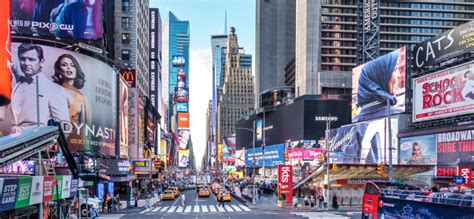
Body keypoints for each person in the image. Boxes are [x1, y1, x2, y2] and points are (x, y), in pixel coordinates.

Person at [10, 43, 70, 133]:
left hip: (38, 144)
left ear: (41, 62)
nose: (26, 63)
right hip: (12, 143)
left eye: (31, 59)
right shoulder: (17, 86)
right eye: (22, 59)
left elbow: (64, 127)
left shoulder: (54, 89)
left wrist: (47, 145)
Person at [353, 46, 406, 123]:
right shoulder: (399, 116)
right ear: (380, 76)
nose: (398, 74)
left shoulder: (355, 121)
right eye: (394, 69)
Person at [52, 53, 91, 151]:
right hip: (56, 139)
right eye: (64, 65)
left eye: (72, 65)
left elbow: (85, 126)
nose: (69, 68)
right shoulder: (52, 90)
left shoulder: (82, 97)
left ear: (76, 69)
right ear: (59, 70)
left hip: (75, 140)